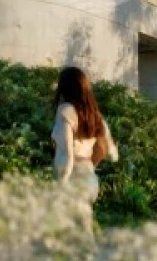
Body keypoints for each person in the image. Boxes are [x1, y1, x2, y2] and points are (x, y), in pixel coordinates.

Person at [50, 66, 118, 201]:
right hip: (91, 182)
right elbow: (110, 153)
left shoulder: (65, 111)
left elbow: (66, 155)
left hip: (72, 183)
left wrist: (60, 188)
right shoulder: (95, 115)